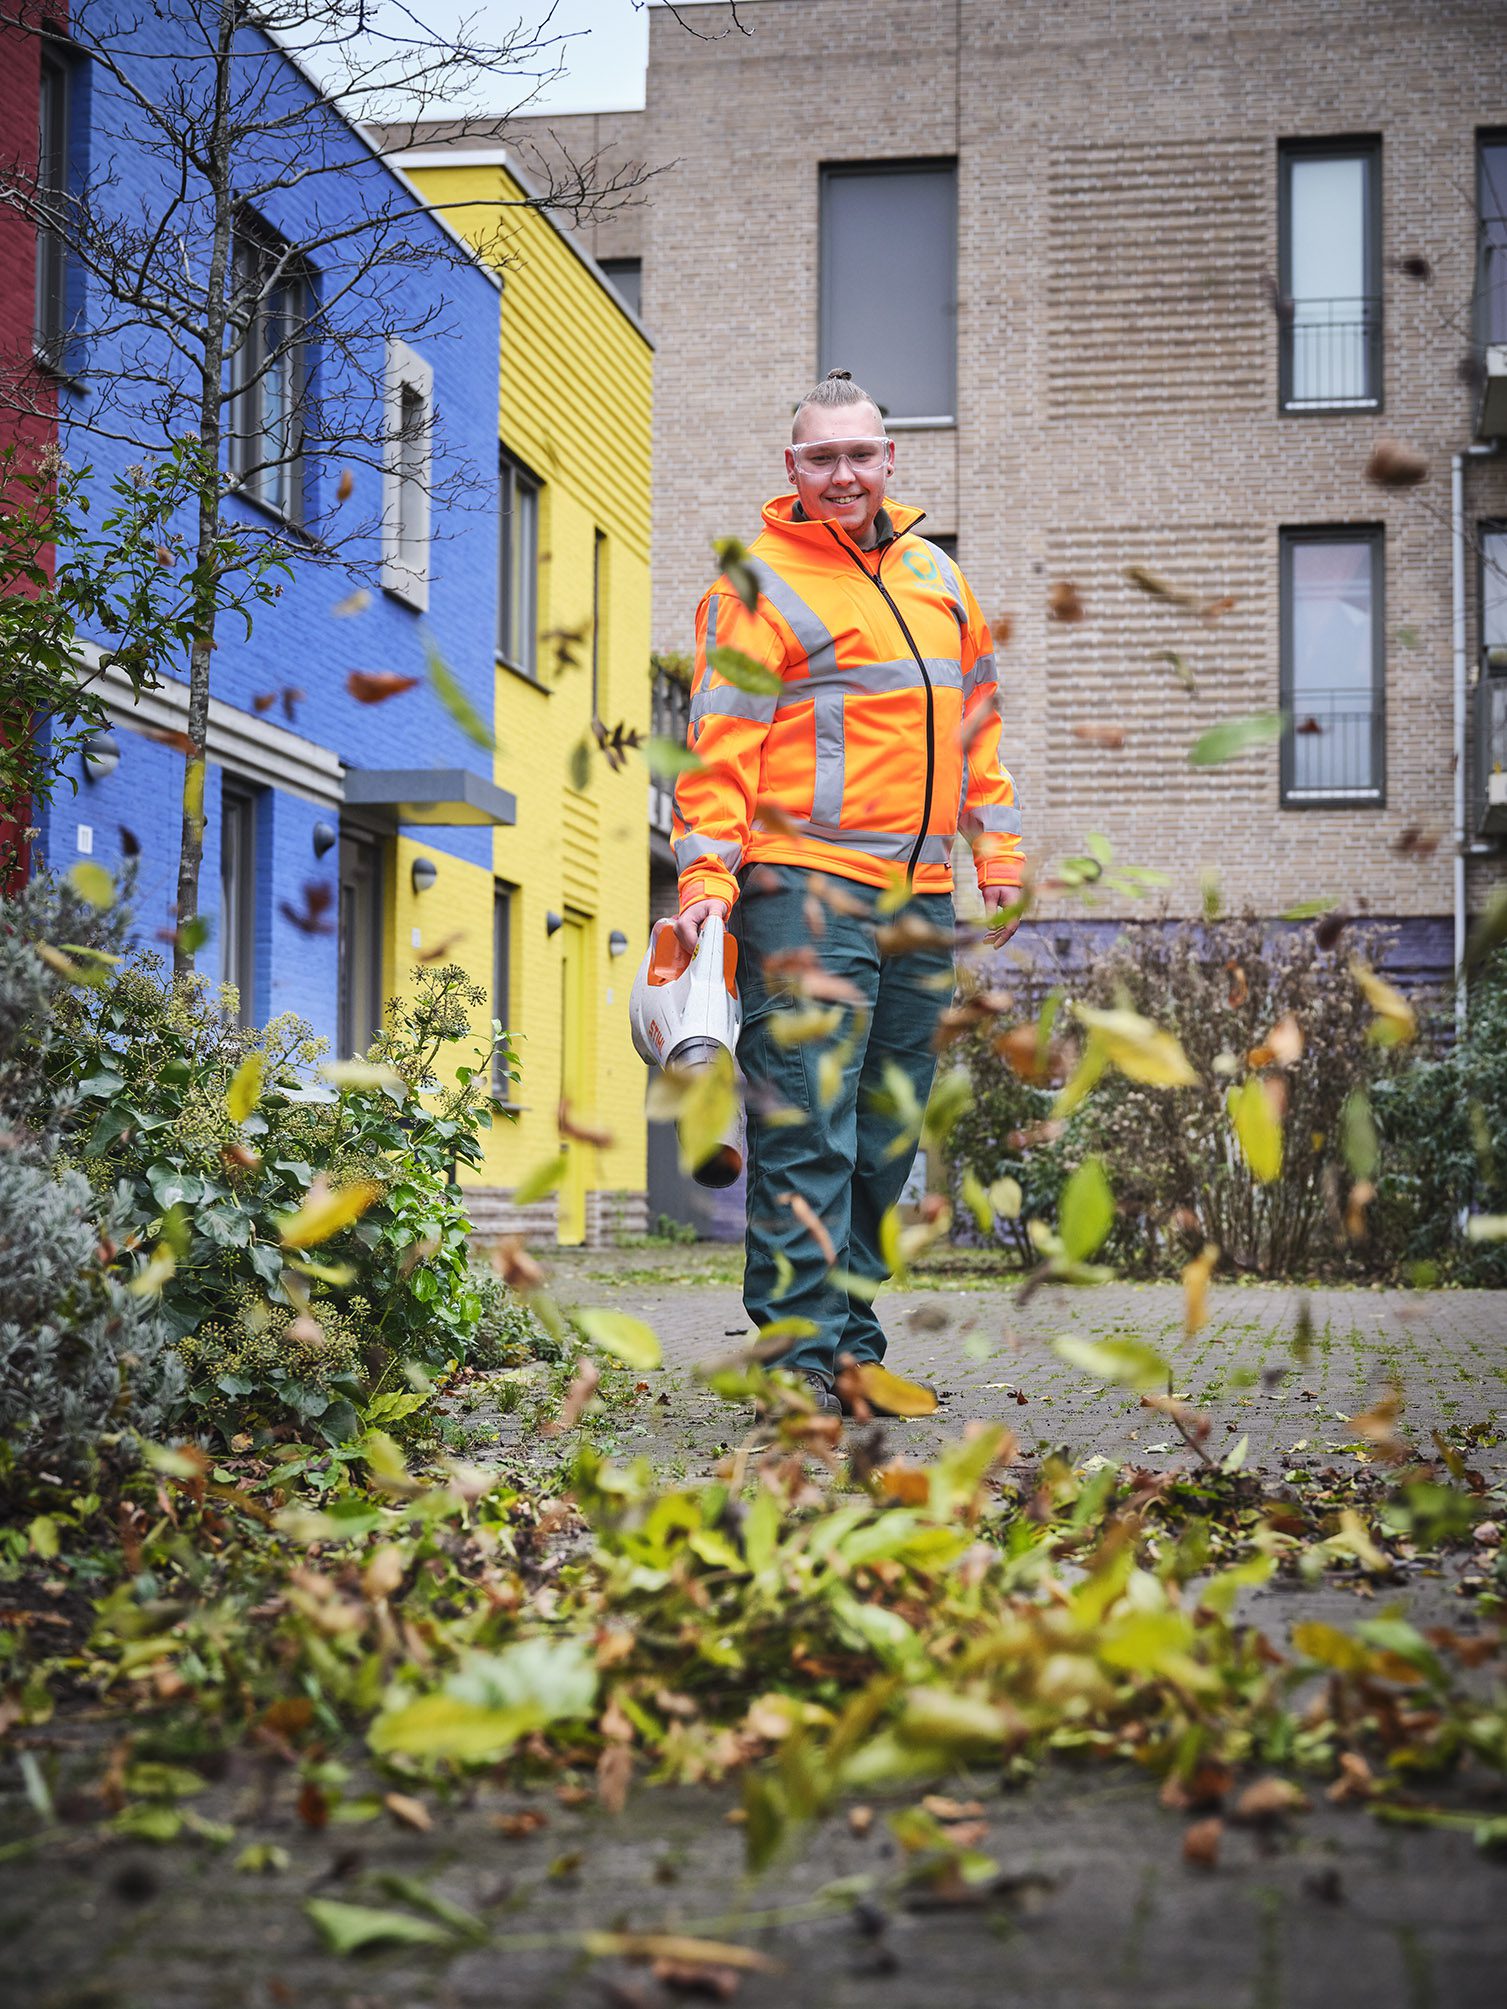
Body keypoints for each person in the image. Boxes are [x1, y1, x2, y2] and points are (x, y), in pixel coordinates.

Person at [670, 370, 1024, 1415]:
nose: (841, 474)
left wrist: (995, 857)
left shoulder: (938, 580)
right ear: (791, 468)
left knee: (886, 1134)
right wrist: (705, 873)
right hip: (803, 891)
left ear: (889, 459)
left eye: (858, 454)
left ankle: (852, 1348)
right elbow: (718, 749)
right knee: (809, 1129)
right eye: (820, 457)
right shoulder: (752, 585)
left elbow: (978, 730)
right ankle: (796, 1365)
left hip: (920, 894)